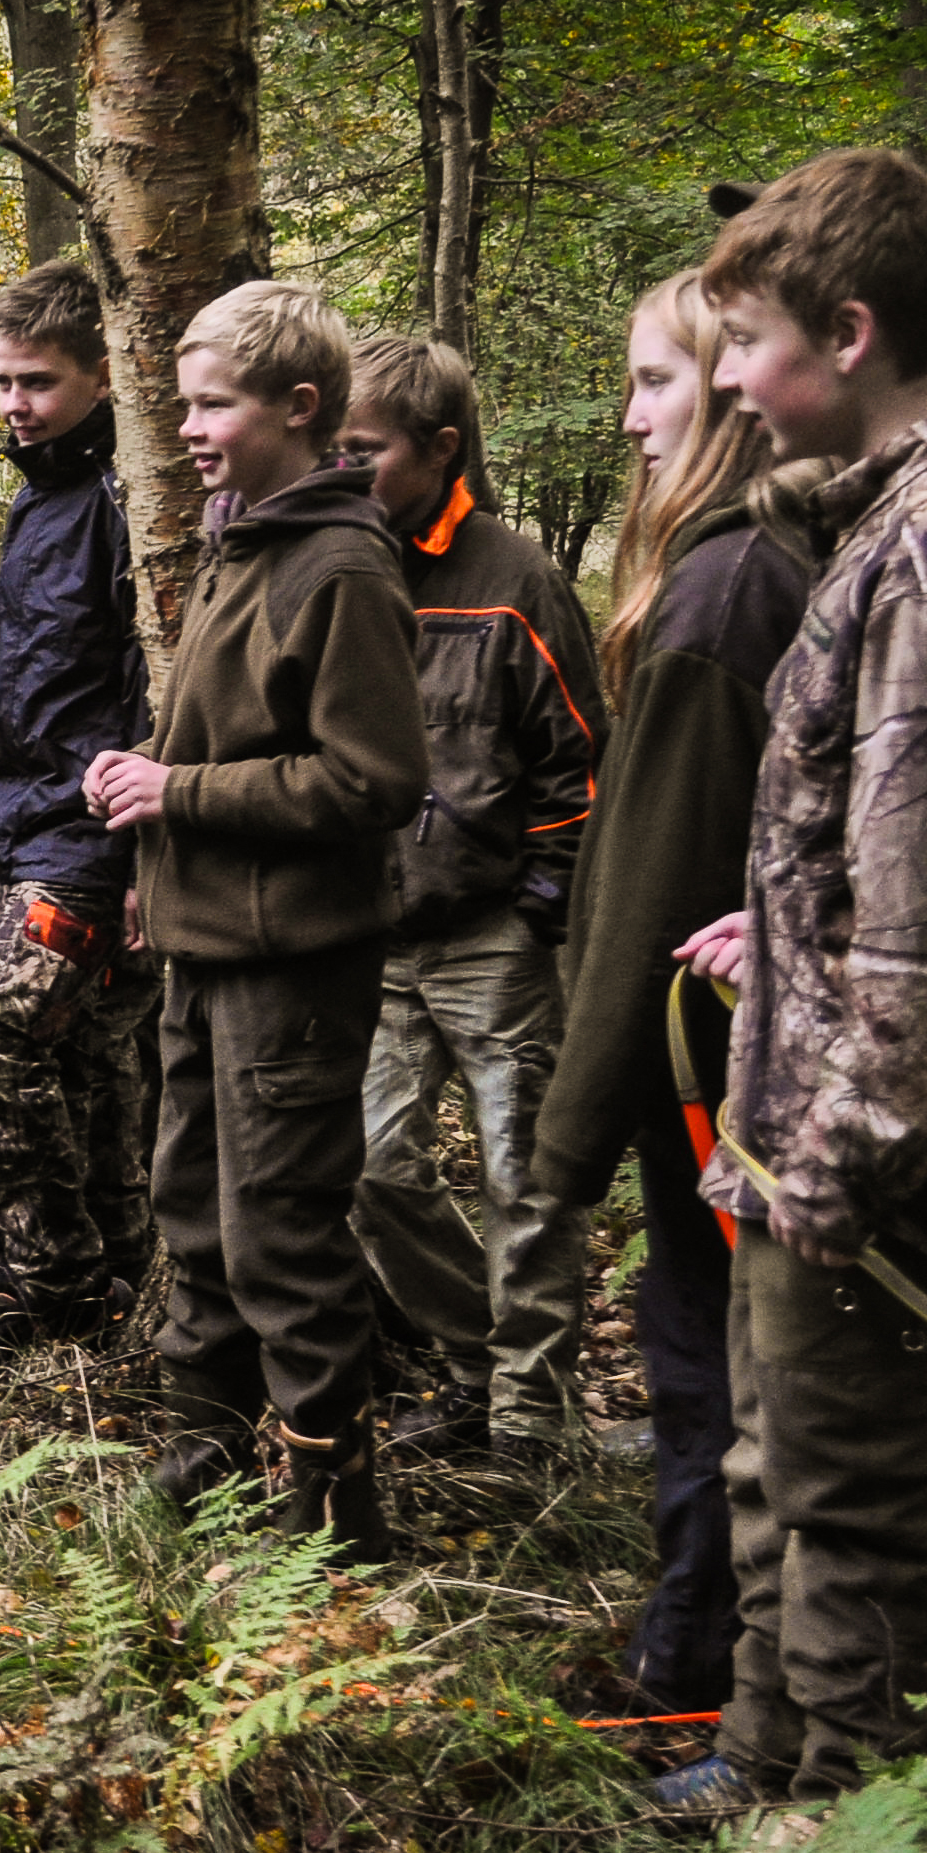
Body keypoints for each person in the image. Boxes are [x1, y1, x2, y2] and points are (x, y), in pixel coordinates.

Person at [654, 149, 927, 1815]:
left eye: (749, 344)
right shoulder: (884, 528)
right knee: (781, 1467)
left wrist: (838, 1157)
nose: (731, 386)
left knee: (855, 1504)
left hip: (859, 1152)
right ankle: (765, 1764)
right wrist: (773, 941)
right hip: (801, 1118)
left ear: (846, 333)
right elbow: (878, 848)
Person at [90, 280, 426, 1553]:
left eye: (210, 404)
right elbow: (224, 738)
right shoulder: (243, 542)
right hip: (204, 943)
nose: (186, 428)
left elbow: (372, 779)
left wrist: (177, 789)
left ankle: (334, 1506)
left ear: (297, 408)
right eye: (181, 403)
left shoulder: (338, 567)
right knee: (191, 1199)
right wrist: (149, 831)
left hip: (296, 961)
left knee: (280, 1222)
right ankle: (206, 1444)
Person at [519, 262, 812, 1714]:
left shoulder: (724, 595)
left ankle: (698, 1667)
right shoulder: (734, 571)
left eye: (656, 383)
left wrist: (567, 1140)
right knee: (712, 1356)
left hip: (723, 1072)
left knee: (711, 1368)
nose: (631, 419)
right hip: (726, 1055)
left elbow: (651, 886)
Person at [338, 336, 607, 1465]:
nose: (345, 470)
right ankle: (473, 1361)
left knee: (524, 1177)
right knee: (369, 1165)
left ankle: (531, 1423)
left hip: (493, 933)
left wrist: (540, 905)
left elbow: (579, 764)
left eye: (366, 452)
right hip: (372, 937)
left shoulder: (516, 579)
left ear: (441, 450)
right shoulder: (343, 564)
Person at [0, 259, 159, 1358]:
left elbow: (159, 687)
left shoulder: (132, 502)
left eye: (36, 382)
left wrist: (134, 863)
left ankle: (56, 1282)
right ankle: (119, 1274)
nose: (13, 405)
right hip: (36, 830)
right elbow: (30, 686)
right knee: (88, 1062)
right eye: (2, 382)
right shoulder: (40, 496)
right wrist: (2, 834)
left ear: (105, 375)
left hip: (99, 843)